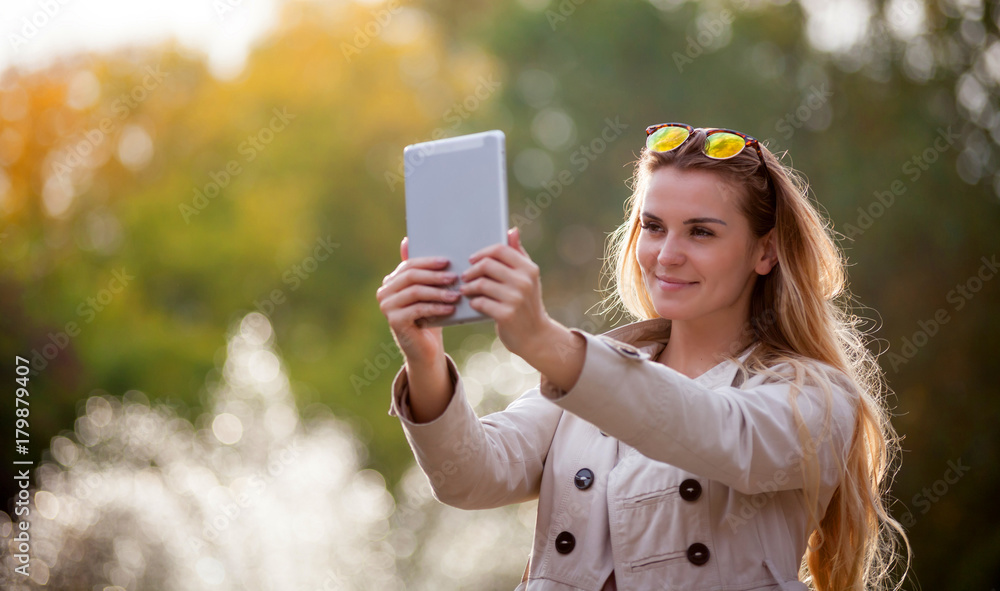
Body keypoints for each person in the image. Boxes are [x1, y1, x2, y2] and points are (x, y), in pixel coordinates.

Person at [376, 123, 910, 590]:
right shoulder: (593, 370)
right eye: (653, 227)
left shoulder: (814, 395)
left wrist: (543, 340)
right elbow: (468, 477)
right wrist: (424, 359)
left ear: (765, 250)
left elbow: (718, 432)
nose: (667, 254)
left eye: (700, 232)